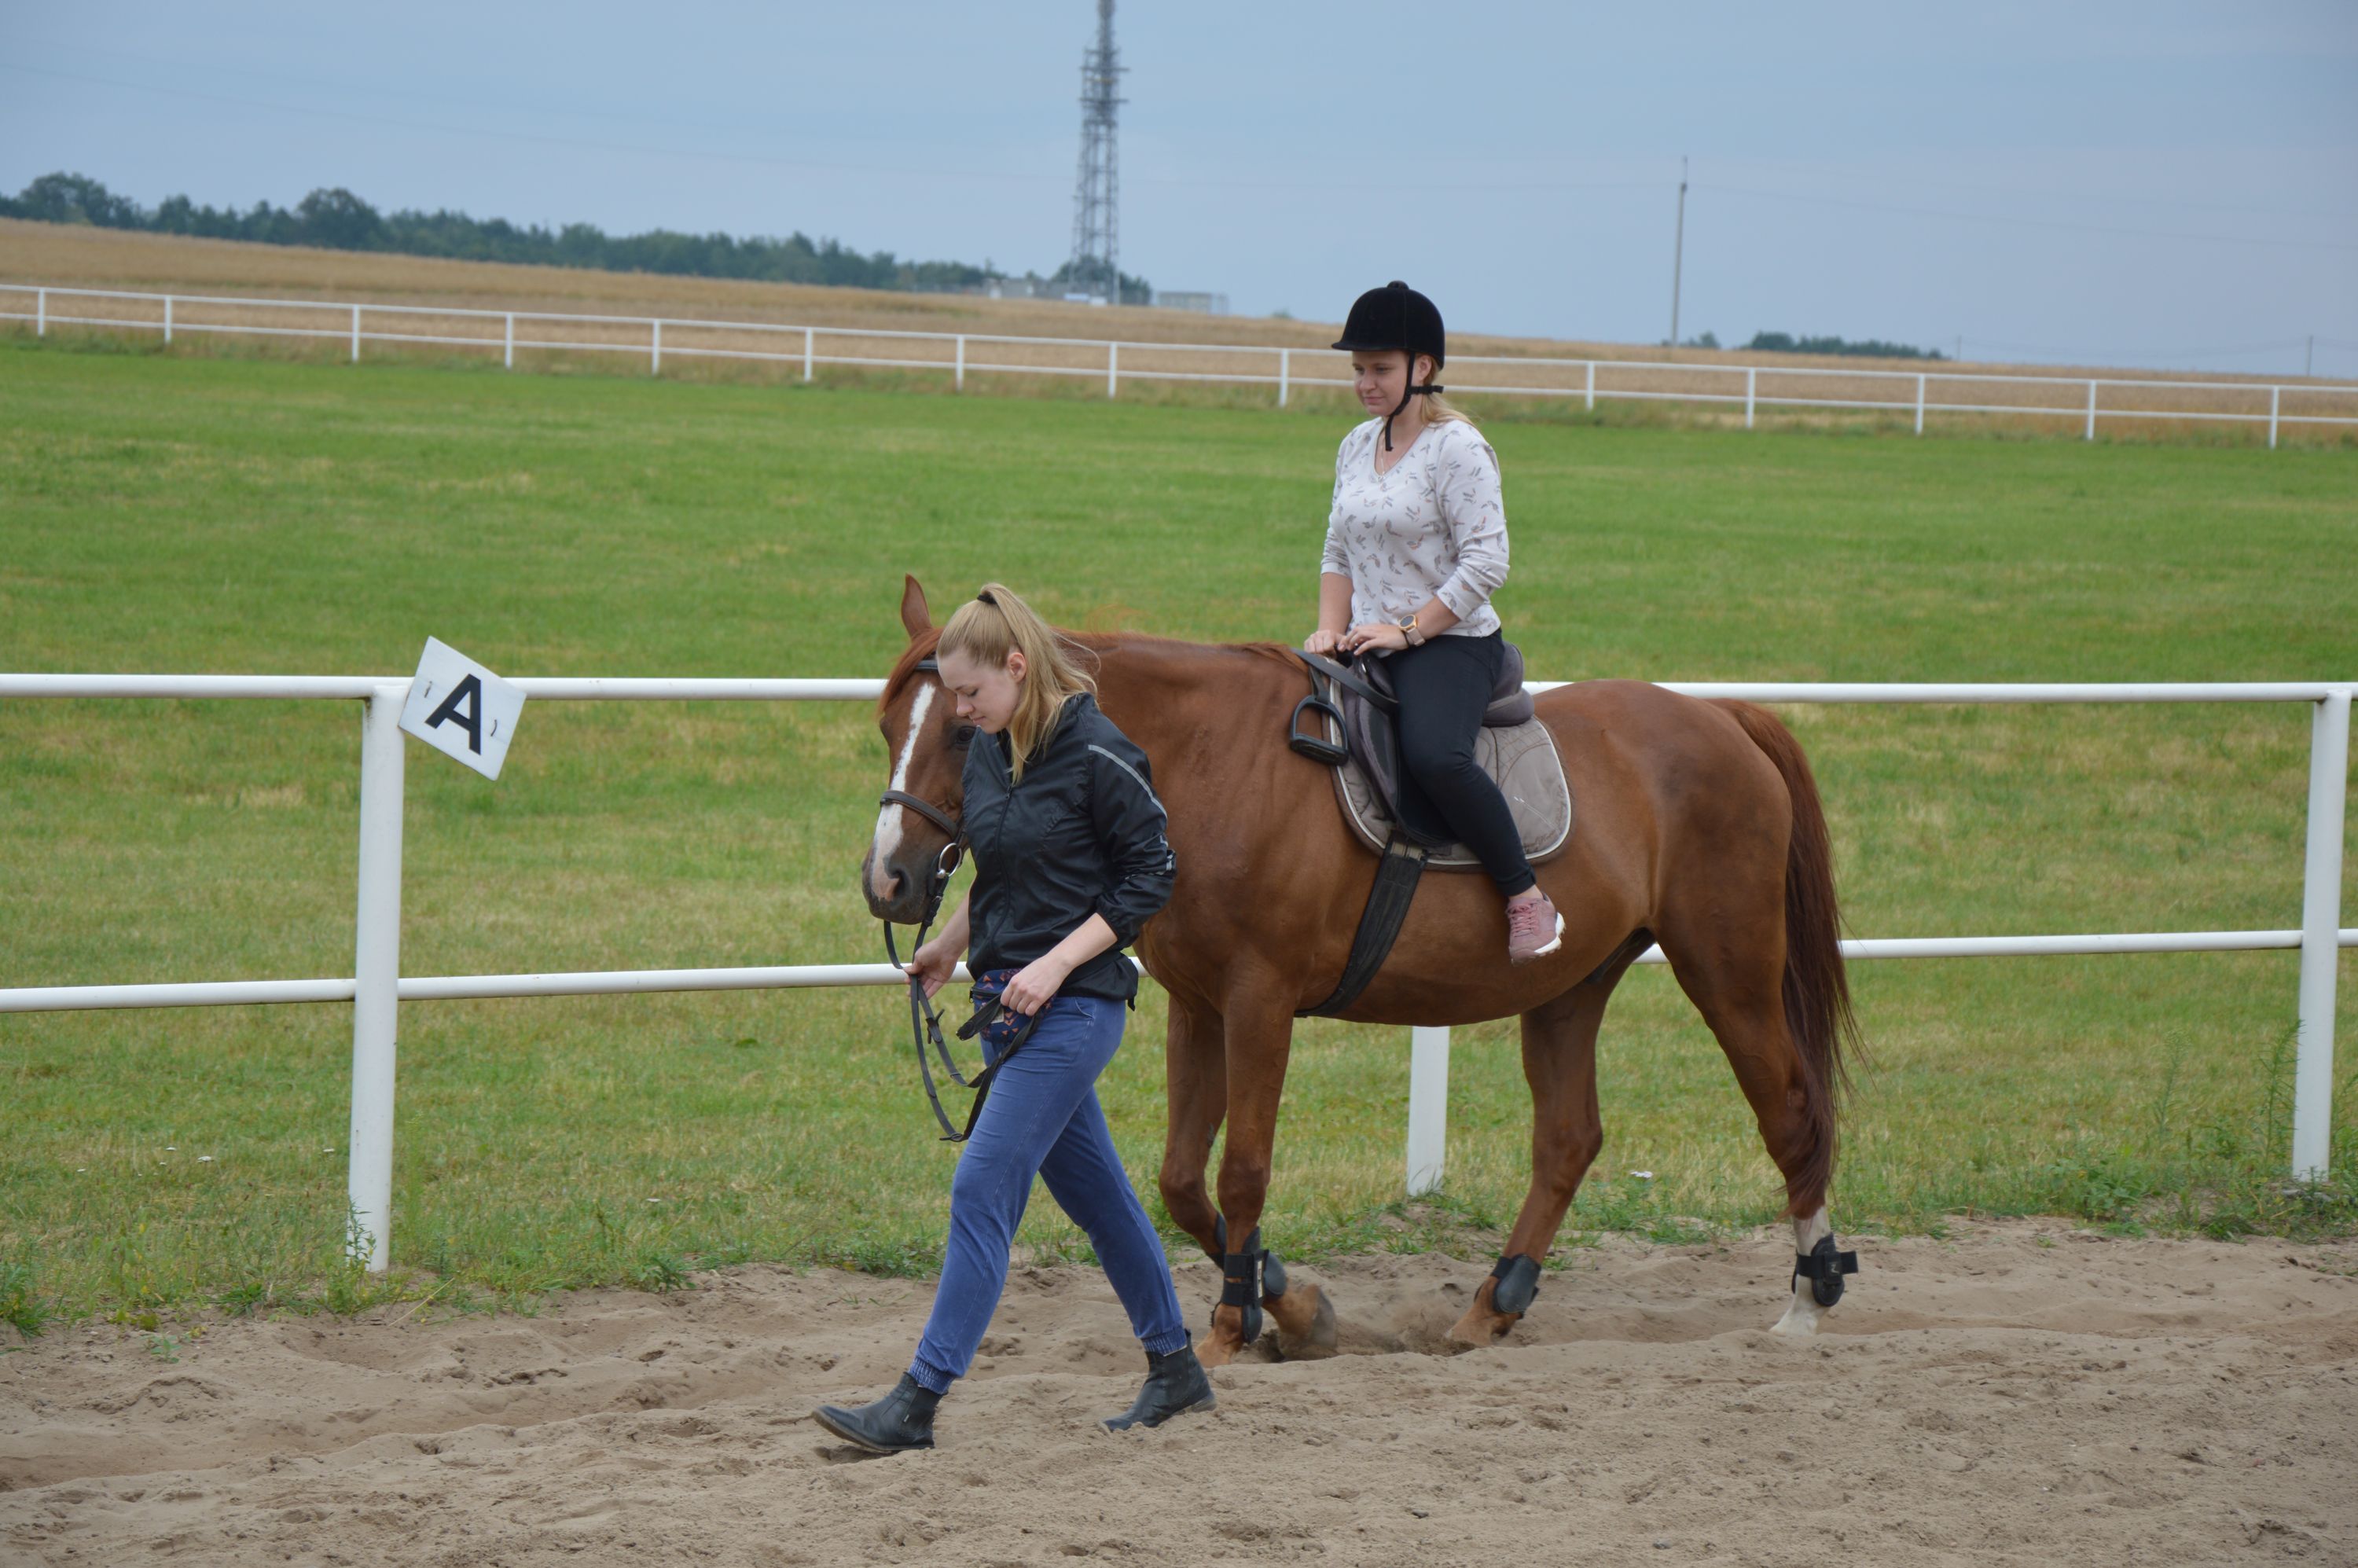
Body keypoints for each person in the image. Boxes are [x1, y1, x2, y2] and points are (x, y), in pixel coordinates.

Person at [815, 583, 1210, 1452]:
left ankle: (918, 1400)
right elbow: (1000, 865)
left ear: (1019, 668)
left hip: (1073, 1010)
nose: (960, 709)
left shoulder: (1100, 753)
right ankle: (1176, 1366)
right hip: (1005, 1004)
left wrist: (1058, 962)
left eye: (970, 692)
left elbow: (1151, 876)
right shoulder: (992, 751)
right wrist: (949, 944)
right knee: (1102, 1201)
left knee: (982, 1188)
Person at [1306, 281, 1563, 964]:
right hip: (1365, 639)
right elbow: (1337, 550)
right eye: (1358, 369)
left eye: (1380, 369)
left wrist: (1409, 629)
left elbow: (1488, 561)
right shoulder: (1354, 445)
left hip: (1450, 641)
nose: (1365, 383)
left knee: (1434, 755)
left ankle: (1525, 895)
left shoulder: (1459, 449)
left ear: (1423, 367)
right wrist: (1328, 629)